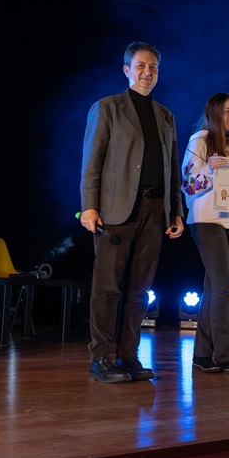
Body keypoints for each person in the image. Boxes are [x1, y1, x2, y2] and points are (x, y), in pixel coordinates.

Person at [80, 41, 184, 383]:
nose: (147, 72)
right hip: (116, 210)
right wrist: (88, 206)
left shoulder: (165, 115)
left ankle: (127, 356)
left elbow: (172, 169)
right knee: (106, 287)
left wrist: (176, 211)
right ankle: (100, 358)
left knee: (140, 290)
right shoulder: (107, 108)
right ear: (126, 70)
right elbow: (92, 162)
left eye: (153, 67)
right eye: (140, 66)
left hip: (155, 211)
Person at [182, 93, 229, 374]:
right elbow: (189, 184)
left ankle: (201, 355)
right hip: (207, 220)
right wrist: (212, 173)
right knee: (223, 287)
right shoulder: (200, 140)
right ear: (213, 113)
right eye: (227, 112)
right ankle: (225, 354)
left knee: (213, 289)